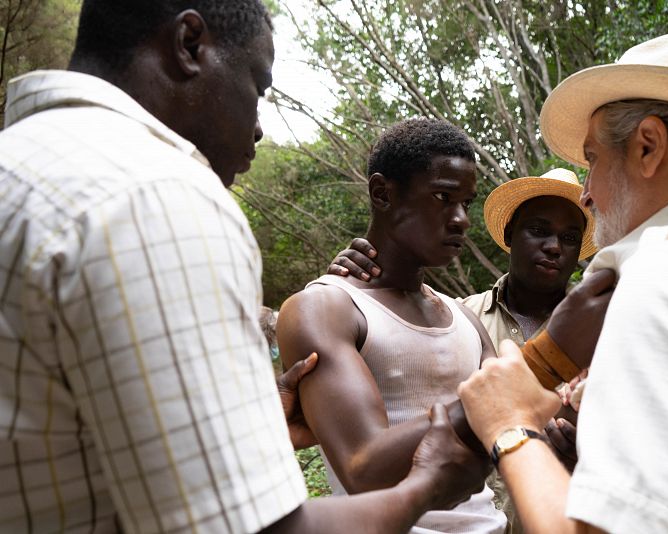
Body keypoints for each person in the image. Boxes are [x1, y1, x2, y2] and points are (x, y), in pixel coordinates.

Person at [0, 1, 490, 532]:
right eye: (257, 88)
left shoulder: (20, 165)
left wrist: (248, 420)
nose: (257, 128)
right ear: (189, 44)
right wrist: (428, 484)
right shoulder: (155, 195)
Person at [457, 30, 668, 534]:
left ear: (647, 146)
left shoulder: (667, 279)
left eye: (593, 160)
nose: (588, 195)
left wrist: (509, 424)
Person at [329, 168, 600, 531]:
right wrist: (353, 283)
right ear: (509, 235)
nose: (554, 246)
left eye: (568, 237)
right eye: (538, 230)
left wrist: (581, 456)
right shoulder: (456, 320)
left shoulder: (601, 335)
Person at [277, 117, 507, 533]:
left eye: (466, 203)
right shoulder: (325, 309)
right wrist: (494, 398)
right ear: (383, 194)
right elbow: (363, 469)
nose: (461, 220)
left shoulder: (464, 316)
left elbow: (514, 421)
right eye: (442, 196)